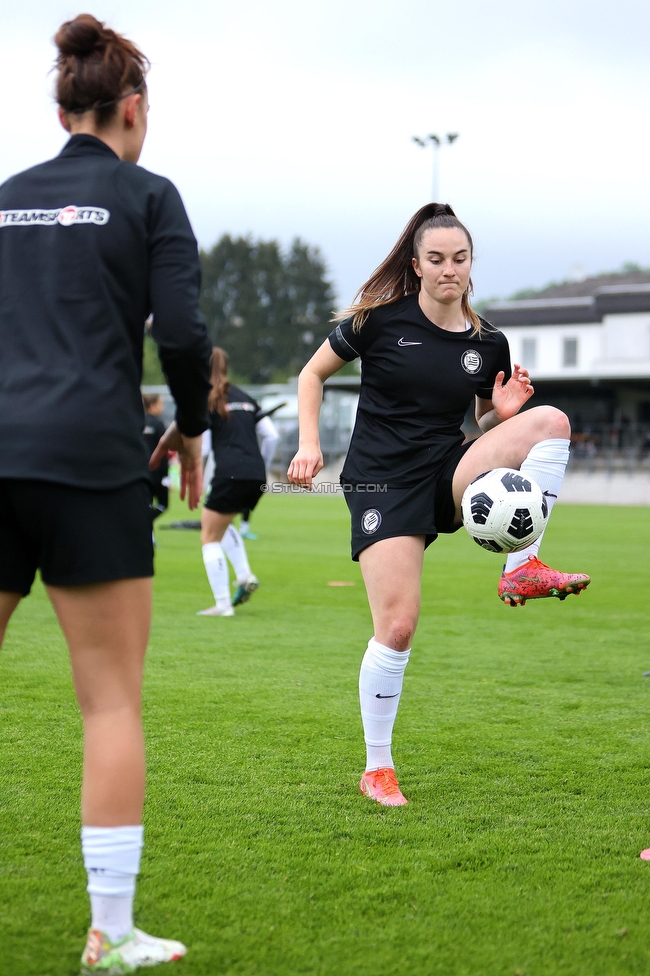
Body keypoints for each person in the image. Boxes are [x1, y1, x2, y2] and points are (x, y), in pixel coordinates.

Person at [0, 14, 212, 972]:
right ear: (133, 109)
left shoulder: (5, 200)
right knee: (109, 704)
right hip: (94, 459)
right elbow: (183, 338)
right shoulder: (150, 196)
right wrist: (192, 435)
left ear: (58, 108)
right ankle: (110, 931)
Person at [288, 203, 590, 807]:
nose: (449, 269)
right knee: (397, 627)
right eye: (436, 259)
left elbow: (480, 418)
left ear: (470, 265)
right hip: (382, 483)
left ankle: (521, 566)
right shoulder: (377, 322)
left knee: (549, 421)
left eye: (460, 258)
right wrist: (309, 445)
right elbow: (311, 375)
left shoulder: (489, 343)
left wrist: (499, 415)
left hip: (448, 467)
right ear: (417, 265)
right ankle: (377, 769)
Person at [198, 348, 267, 616]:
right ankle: (245, 575)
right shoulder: (245, 397)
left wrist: (201, 483)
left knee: (209, 535)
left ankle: (223, 604)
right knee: (222, 525)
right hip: (256, 474)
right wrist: (259, 462)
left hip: (229, 473)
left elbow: (203, 447)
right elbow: (270, 435)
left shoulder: (207, 399)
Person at [142, 394, 169, 521]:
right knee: (163, 504)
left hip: (141, 471)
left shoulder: (139, 422)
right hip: (157, 472)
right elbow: (165, 447)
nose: (162, 407)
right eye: (160, 404)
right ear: (153, 405)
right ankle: (144, 523)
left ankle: (147, 532)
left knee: (146, 504)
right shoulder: (158, 424)